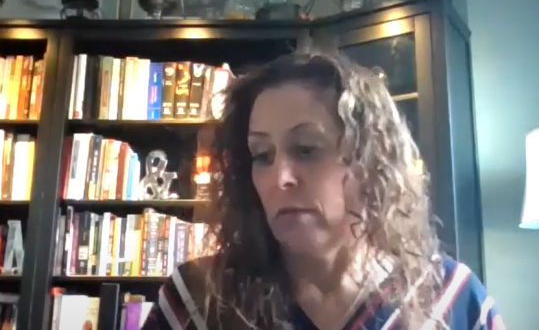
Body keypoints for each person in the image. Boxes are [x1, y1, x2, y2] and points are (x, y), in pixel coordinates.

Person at [140, 52, 506, 330]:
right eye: (261, 155)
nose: (280, 177)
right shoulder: (197, 301)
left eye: (306, 149)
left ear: (368, 159)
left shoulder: (451, 300)